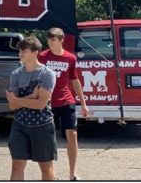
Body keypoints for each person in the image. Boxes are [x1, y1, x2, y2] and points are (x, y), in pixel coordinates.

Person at [6, 37, 57, 181]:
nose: (20, 53)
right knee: (17, 165)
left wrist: (17, 100)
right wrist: (32, 96)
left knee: (46, 167)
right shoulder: (16, 74)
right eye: (20, 50)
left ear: (35, 53)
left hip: (42, 125)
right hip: (20, 125)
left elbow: (40, 104)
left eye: (24, 50)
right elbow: (12, 105)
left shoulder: (47, 74)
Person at [40, 28, 86, 181]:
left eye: (53, 39)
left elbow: (74, 80)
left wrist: (83, 103)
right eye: (49, 39)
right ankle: (51, 175)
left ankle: (72, 174)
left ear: (61, 41)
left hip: (67, 101)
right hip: (48, 102)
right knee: (48, 138)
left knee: (72, 135)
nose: (50, 42)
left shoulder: (70, 58)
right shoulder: (42, 56)